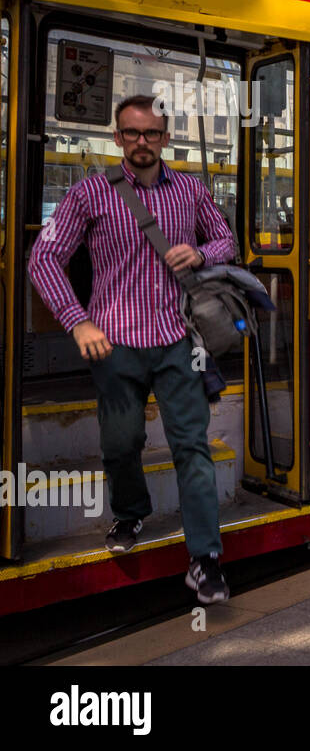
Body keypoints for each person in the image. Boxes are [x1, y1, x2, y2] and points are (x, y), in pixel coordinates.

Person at [28, 95, 238, 604]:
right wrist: (77, 322)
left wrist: (203, 250)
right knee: (121, 444)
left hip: (177, 340)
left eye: (152, 133)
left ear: (166, 138)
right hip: (114, 344)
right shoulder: (89, 194)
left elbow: (227, 240)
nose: (142, 142)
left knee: (192, 448)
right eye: (131, 133)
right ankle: (130, 512)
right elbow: (43, 258)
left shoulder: (190, 190)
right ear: (117, 138)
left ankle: (205, 559)